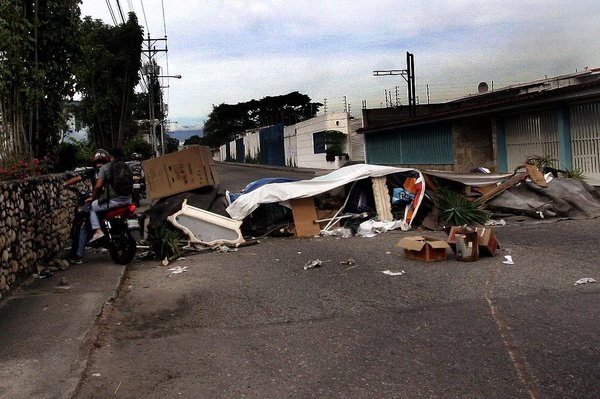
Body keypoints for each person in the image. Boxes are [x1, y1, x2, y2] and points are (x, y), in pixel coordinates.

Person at [63, 149, 110, 264]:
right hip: (112, 200)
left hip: (99, 202)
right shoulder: (111, 170)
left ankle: (78, 254)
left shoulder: (92, 171)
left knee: (84, 227)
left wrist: (65, 184)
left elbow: (78, 178)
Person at [88, 148, 133, 242]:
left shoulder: (106, 167)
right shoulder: (127, 166)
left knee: (92, 206)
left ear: (111, 157)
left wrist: (92, 197)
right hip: (128, 199)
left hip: (114, 200)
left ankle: (98, 231)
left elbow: (98, 186)